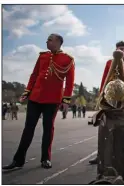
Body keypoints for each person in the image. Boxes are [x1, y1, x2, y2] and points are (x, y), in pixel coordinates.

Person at [3, 33, 75, 170]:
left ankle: (45, 159)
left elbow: (70, 82)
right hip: (35, 98)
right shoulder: (42, 56)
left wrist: (66, 100)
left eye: (50, 40)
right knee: (28, 129)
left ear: (59, 42)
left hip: (52, 100)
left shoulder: (68, 59)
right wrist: (27, 92)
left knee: (48, 129)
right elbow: (34, 75)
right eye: (47, 39)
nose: (47, 41)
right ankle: (18, 160)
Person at [89, 40, 124, 165]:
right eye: (120, 49)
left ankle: (121, 154)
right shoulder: (109, 63)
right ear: (115, 50)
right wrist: (101, 96)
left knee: (123, 126)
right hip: (109, 98)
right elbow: (104, 79)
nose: (122, 51)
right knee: (104, 126)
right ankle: (100, 155)